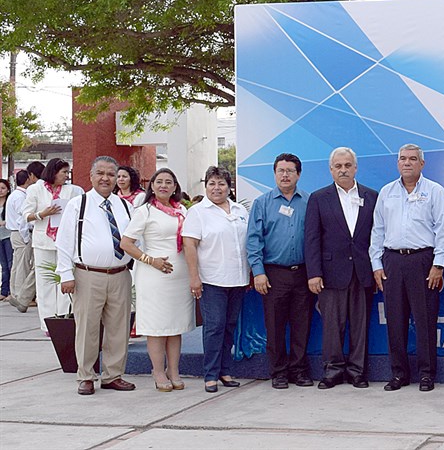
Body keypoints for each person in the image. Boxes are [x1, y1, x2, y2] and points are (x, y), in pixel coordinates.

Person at [370, 143, 444, 392]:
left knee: (424, 320)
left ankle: (427, 374)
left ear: (422, 164)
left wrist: (438, 265)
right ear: (397, 163)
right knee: (395, 320)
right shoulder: (387, 192)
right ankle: (399, 374)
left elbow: (443, 230)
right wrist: (376, 264)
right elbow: (378, 230)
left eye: (412, 159)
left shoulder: (435, 191)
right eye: (403, 159)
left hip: (423, 262)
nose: (407, 163)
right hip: (392, 261)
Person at [55, 156, 136, 395]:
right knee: (87, 327)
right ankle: (86, 376)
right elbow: (64, 243)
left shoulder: (124, 206)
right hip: (88, 275)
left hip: (120, 275)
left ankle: (113, 375)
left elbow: (133, 239)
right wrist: (65, 275)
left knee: (118, 328)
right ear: (91, 176)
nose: (106, 178)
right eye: (100, 173)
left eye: (111, 174)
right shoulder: (77, 205)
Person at [306, 147, 378, 389]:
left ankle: (358, 371)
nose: (343, 170)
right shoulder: (318, 198)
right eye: (338, 166)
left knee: (360, 325)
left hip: (362, 271)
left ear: (355, 168)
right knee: (332, 326)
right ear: (331, 169)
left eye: (347, 165)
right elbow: (312, 238)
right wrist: (314, 273)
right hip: (329, 273)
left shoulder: (372, 196)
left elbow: (376, 236)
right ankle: (333, 371)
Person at [118, 168, 193, 392]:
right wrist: (151, 260)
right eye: (159, 182)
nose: (163, 186)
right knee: (157, 326)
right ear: (151, 186)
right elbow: (126, 243)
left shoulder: (182, 210)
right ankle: (158, 371)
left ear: (175, 187)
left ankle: (174, 370)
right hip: (154, 275)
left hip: (179, 276)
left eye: (168, 182)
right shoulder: (144, 212)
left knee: (175, 325)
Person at [247, 153, 314, 390]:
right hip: (273, 274)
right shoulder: (262, 203)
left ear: (298, 174)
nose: (285, 175)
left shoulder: (309, 202)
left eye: (290, 171)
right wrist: (258, 272)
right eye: (280, 171)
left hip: (303, 273)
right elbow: (253, 240)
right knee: (275, 326)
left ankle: (299, 370)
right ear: (275, 174)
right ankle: (279, 372)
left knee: (302, 325)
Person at [182, 166, 250, 393]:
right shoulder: (198, 212)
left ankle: (225, 370)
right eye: (212, 183)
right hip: (212, 280)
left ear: (229, 187)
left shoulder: (240, 210)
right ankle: (210, 375)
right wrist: (194, 277)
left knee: (230, 326)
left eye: (221, 183)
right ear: (206, 186)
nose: (216, 188)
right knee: (214, 327)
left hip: (238, 279)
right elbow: (190, 245)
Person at [24, 158, 84, 331]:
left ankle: (64, 320)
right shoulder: (36, 189)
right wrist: (42, 214)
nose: (66, 175)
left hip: (66, 241)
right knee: (45, 283)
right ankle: (47, 324)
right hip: (43, 241)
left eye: (68, 172)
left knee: (65, 279)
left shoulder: (74, 190)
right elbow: (26, 215)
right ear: (53, 172)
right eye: (64, 172)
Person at [6, 170, 37, 312]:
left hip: (16, 233)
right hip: (20, 234)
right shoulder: (20, 197)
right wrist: (26, 237)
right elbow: (22, 220)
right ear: (28, 179)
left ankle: (15, 292)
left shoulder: (15, 195)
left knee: (17, 264)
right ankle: (19, 295)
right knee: (22, 265)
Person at [1, 179, 12, 301]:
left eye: (3, 188)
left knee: (10, 264)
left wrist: (4, 222)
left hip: (8, 236)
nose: (0, 190)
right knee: (3, 265)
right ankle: (3, 290)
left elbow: (14, 219)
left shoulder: (9, 202)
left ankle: (10, 291)